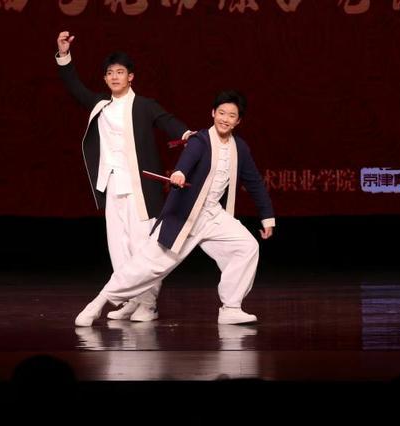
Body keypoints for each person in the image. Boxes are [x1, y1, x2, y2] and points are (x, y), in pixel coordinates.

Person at [74, 90, 275, 326]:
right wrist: (179, 173)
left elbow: (254, 182)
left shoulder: (240, 147)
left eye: (231, 115)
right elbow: (186, 161)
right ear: (213, 113)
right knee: (147, 266)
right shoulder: (200, 140)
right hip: (184, 216)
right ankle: (97, 304)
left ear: (238, 121)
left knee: (247, 246)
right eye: (221, 113)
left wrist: (267, 217)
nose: (225, 119)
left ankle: (231, 307)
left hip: (213, 215)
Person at [56, 31, 193, 321]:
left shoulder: (144, 105)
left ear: (131, 77)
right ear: (105, 79)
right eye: (109, 73)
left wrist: (187, 135)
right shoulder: (101, 105)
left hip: (141, 188)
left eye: (120, 72)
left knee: (144, 247)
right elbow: (74, 87)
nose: (114, 77)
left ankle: (149, 304)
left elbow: (167, 122)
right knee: (118, 248)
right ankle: (130, 300)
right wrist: (64, 55)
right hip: (112, 185)